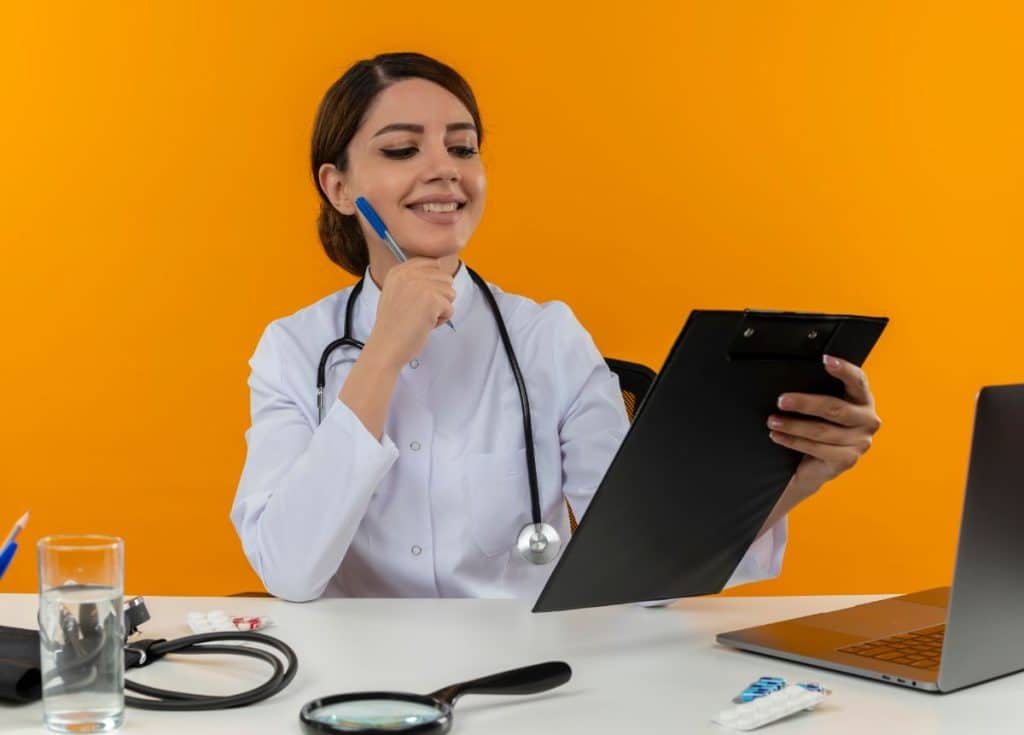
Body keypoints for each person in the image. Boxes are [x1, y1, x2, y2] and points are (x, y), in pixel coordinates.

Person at [230, 52, 882, 602]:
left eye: (463, 146)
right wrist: (382, 356)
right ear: (340, 188)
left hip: (525, 680)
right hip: (354, 690)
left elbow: (645, 560)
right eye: (403, 148)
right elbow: (289, 571)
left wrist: (798, 477)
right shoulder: (293, 349)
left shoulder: (548, 339)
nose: (445, 168)